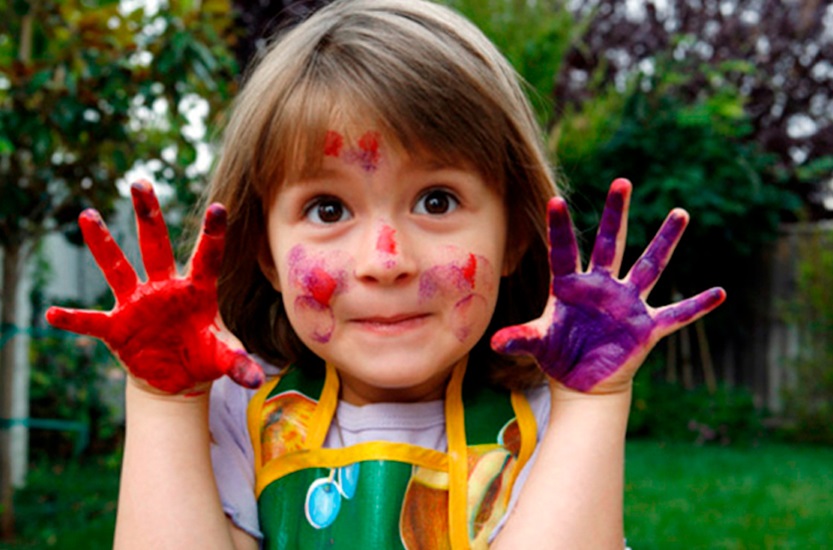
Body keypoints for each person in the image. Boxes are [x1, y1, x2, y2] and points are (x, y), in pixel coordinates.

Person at [45, 0, 726, 548]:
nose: (384, 260)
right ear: (265, 254)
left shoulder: (544, 422)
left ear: (516, 237)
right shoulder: (240, 417)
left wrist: (592, 406)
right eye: (327, 207)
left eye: (436, 201)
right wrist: (163, 403)